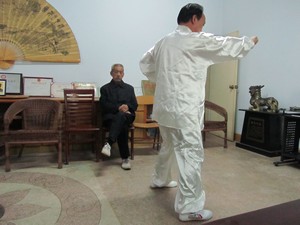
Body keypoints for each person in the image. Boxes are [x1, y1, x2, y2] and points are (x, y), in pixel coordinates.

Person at [139, 3, 258, 222]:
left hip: (164, 109)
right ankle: (189, 208)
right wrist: (248, 42)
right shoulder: (195, 40)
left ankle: (159, 179)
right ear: (194, 19)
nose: (202, 28)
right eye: (202, 24)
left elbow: (145, 63)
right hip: (184, 110)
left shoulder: (162, 42)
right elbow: (223, 45)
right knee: (191, 154)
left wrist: (164, 78)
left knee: (169, 145)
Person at [100, 63, 138, 170]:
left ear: (123, 74)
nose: (118, 74)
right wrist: (118, 108)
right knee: (123, 125)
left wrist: (127, 107)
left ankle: (109, 143)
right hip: (111, 117)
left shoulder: (129, 88)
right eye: (116, 72)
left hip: (128, 115)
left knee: (123, 117)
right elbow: (104, 105)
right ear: (111, 73)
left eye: (120, 72)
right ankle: (125, 158)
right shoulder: (105, 89)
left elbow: (134, 104)